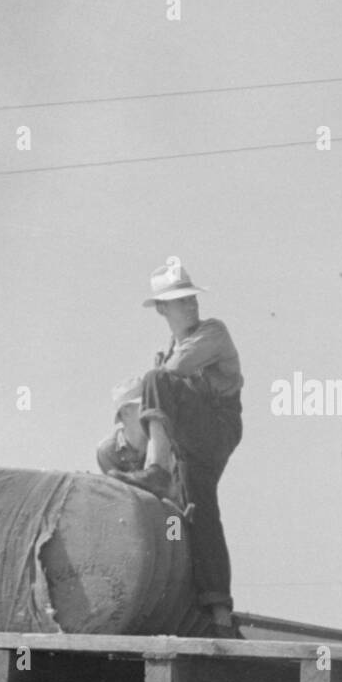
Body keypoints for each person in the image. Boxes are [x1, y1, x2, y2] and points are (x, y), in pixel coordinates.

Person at [107, 263, 243, 632]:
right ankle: (215, 608)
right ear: (162, 310)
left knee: (156, 379)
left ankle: (157, 470)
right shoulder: (168, 351)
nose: (190, 305)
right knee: (194, 508)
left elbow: (170, 377)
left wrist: (156, 380)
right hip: (189, 442)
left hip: (213, 429)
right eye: (180, 301)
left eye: (190, 299)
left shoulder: (211, 333)